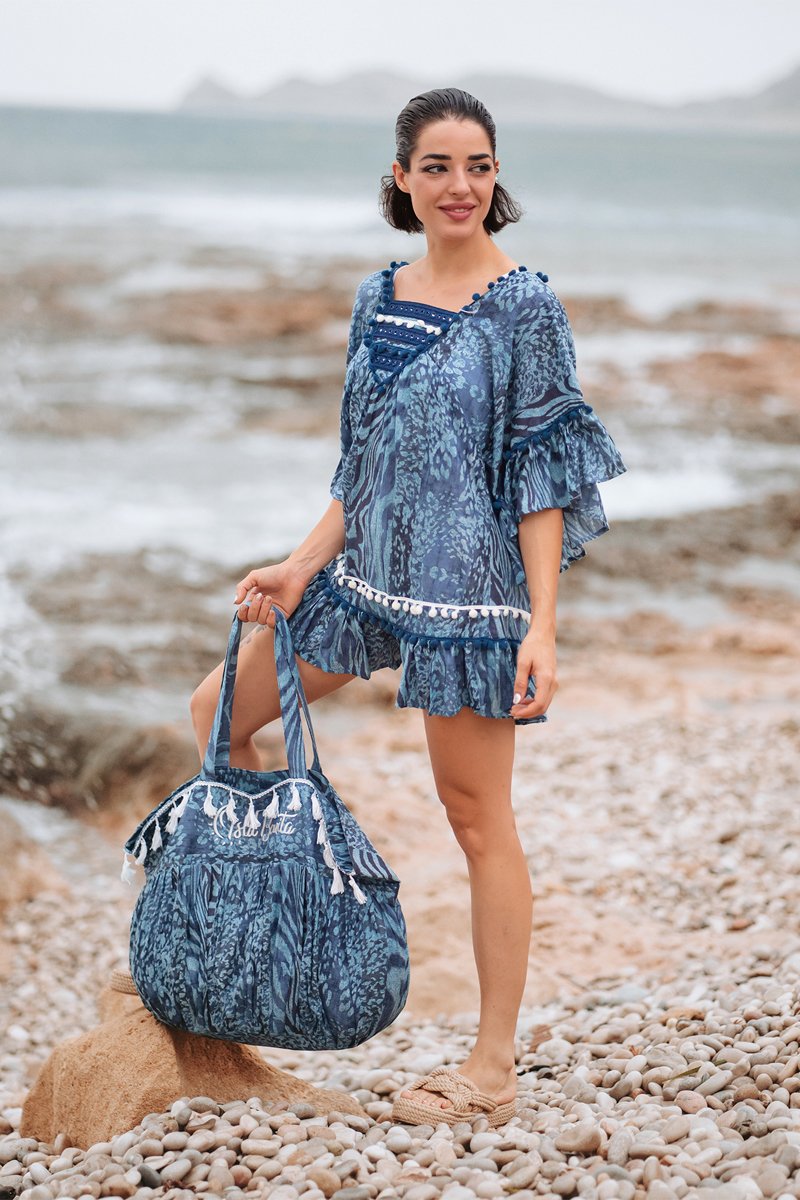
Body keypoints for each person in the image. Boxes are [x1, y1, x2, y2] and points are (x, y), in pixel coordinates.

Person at [190, 87, 627, 1127]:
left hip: (467, 596)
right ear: (402, 178)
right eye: (437, 167)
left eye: (477, 165)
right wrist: (301, 564)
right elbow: (365, 461)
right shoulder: (375, 294)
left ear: (495, 175)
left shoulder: (523, 306)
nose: (458, 186)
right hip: (360, 580)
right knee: (215, 713)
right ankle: (249, 956)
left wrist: (542, 624)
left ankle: (491, 1066)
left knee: (476, 819)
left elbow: (540, 475)